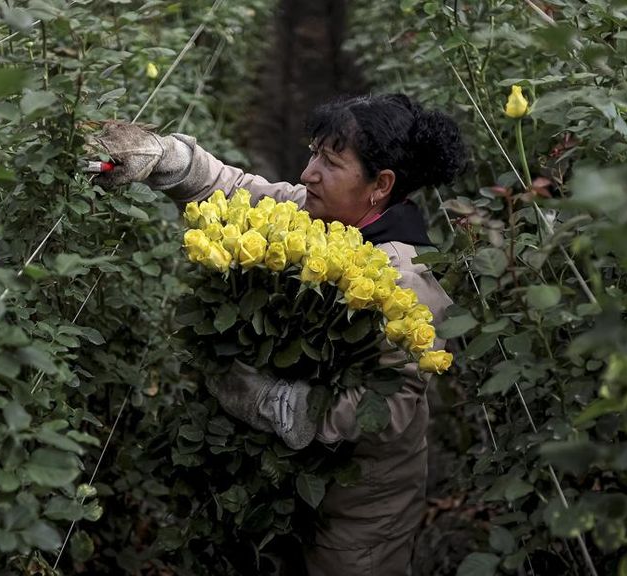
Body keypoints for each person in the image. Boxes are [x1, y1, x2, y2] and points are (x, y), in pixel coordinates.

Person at [88, 93, 465, 575]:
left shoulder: (406, 278)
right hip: (287, 482)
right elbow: (239, 190)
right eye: (313, 153)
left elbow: (389, 407)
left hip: (361, 507)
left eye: (330, 162)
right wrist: (169, 159)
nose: (309, 173)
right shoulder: (320, 213)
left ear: (381, 185)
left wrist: (278, 403)